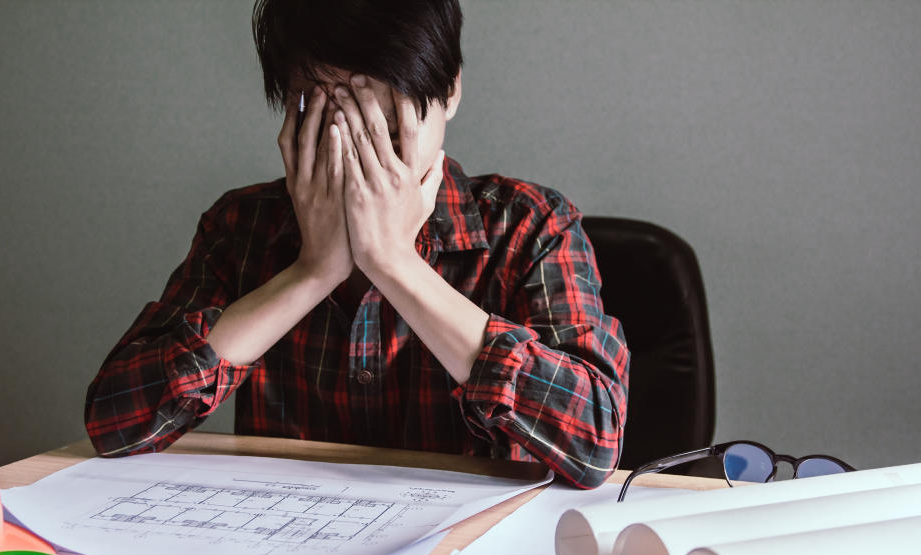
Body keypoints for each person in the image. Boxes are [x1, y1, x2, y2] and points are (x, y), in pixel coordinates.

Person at [84, 0, 628, 489]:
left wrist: (395, 263)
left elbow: (593, 441)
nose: (362, 161)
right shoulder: (241, 228)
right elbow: (114, 423)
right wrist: (311, 272)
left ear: (451, 90)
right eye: (333, 127)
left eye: (388, 133)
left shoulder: (530, 225)